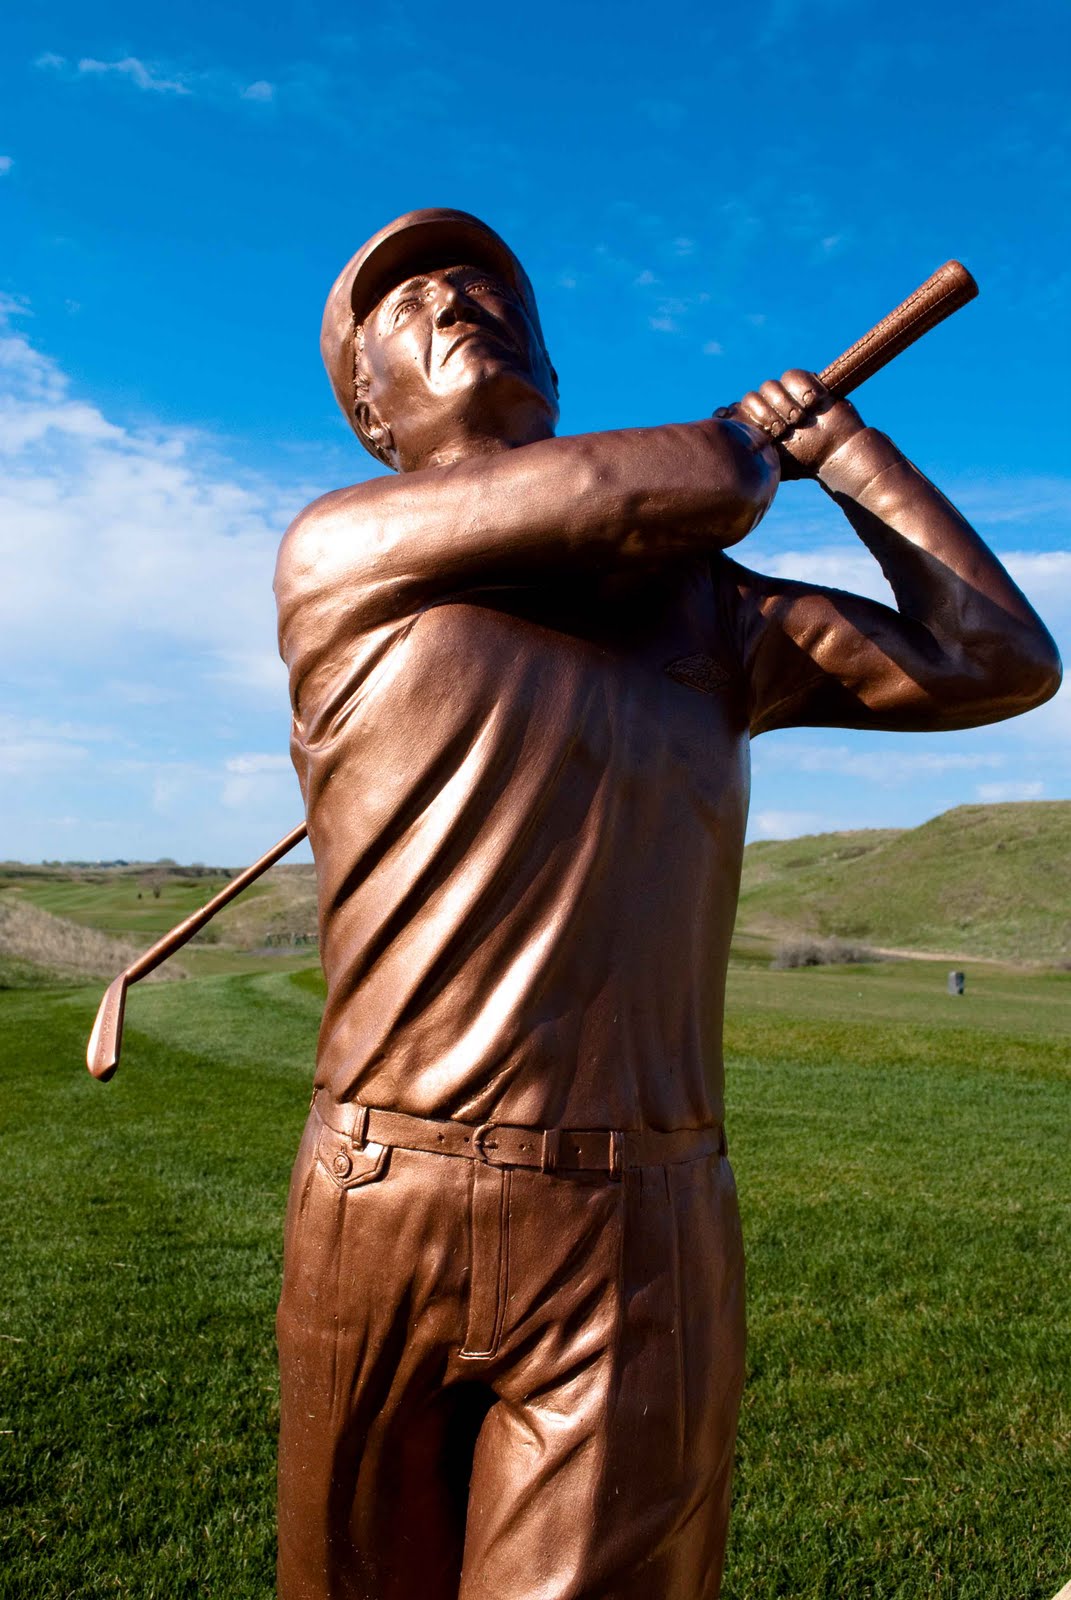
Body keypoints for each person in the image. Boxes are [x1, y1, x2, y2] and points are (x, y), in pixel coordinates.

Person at [272, 209, 1060, 1600]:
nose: (456, 294)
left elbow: (996, 657)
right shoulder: (342, 549)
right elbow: (686, 476)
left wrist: (846, 453)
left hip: (635, 1226)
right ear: (370, 414)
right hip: (375, 1200)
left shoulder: (715, 616)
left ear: (555, 379)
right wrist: (745, 448)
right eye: (402, 304)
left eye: (486, 284)